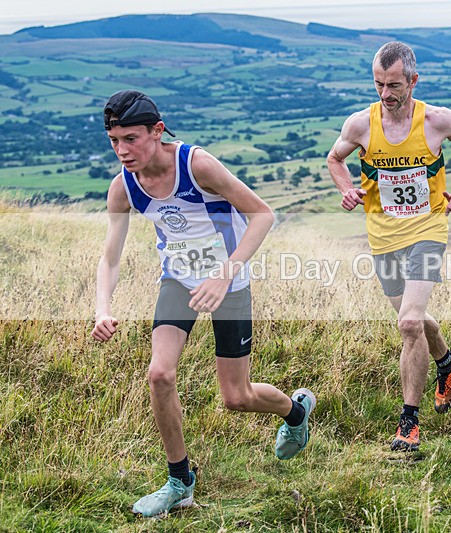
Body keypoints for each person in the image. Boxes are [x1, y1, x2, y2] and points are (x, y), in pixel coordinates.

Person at [91, 90, 315, 517]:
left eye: (131, 139)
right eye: (114, 140)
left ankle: (295, 409)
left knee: (236, 397)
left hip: (228, 282)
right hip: (178, 280)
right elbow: (110, 257)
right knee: (159, 373)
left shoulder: (196, 165)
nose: (122, 150)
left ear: (158, 132)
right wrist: (103, 308)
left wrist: (225, 272)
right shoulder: (123, 189)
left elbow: (263, 214)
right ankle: (180, 482)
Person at [326, 42, 451, 452]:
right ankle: (448, 363)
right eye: (378, 84)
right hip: (382, 235)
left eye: (394, 84)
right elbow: (335, 158)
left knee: (409, 324)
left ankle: (408, 423)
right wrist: (347, 190)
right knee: (412, 319)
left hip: (429, 228)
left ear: (414, 81)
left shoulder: (437, 120)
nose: (385, 93)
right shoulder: (360, 125)